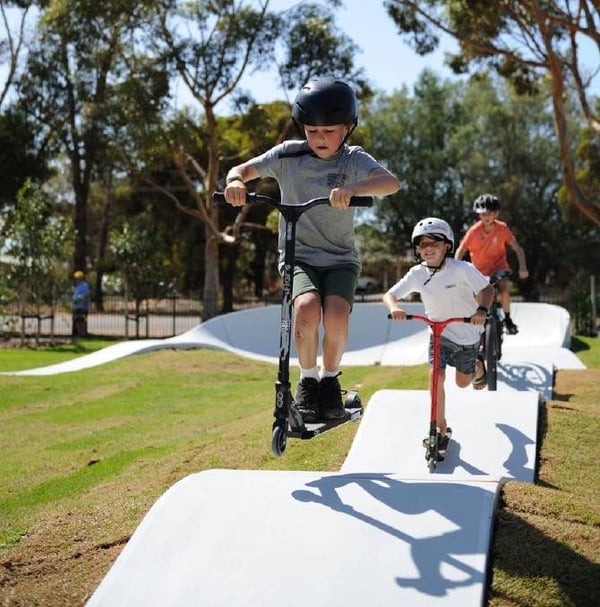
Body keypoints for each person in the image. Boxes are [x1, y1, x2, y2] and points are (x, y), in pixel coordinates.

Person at [224, 77, 400, 422]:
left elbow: (390, 183)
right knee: (306, 308)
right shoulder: (288, 155)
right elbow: (242, 170)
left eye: (329, 131)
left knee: (335, 314)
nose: (320, 139)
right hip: (298, 256)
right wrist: (234, 182)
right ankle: (307, 381)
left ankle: (330, 381)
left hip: (340, 258)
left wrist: (354, 188)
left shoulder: (353, 160)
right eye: (312, 131)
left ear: (348, 129)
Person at [383, 217, 495, 446]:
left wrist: (482, 309)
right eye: (423, 244)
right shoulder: (416, 274)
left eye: (434, 242)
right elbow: (390, 295)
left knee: (463, 383)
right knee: (436, 377)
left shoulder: (462, 269)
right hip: (438, 334)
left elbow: (486, 289)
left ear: (447, 245)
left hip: (468, 334)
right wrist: (395, 307)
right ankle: (438, 427)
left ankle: (477, 366)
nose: (428, 248)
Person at [455, 194, 529, 334]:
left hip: (498, 267)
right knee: (479, 297)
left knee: (503, 289)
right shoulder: (474, 231)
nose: (486, 217)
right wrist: (455, 269)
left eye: (489, 213)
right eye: (482, 214)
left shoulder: (502, 228)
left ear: (496, 213)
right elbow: (461, 250)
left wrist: (523, 267)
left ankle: (507, 319)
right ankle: (479, 325)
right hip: (479, 270)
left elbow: (518, 249)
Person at [72, 270, 91, 337]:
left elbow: (86, 295)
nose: (76, 279)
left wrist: (83, 304)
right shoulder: (77, 286)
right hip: (76, 306)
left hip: (82, 306)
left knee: (81, 320)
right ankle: (80, 334)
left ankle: (83, 334)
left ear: (81, 278)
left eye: (78, 278)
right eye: (76, 278)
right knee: (77, 320)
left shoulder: (84, 285)